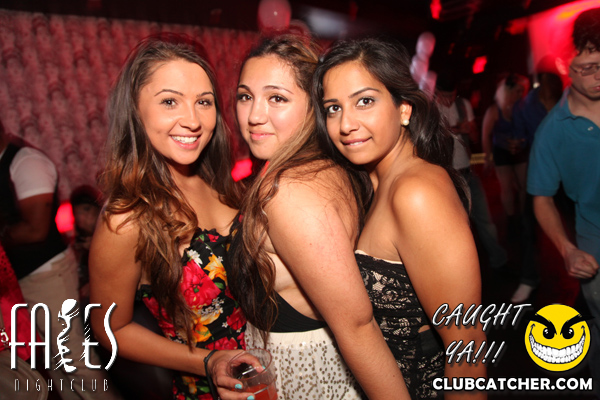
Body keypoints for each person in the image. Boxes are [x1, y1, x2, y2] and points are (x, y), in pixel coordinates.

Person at [221, 35, 410, 400]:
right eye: (245, 96)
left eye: (277, 98)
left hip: (311, 379)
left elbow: (358, 326)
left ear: (313, 107)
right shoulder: (325, 166)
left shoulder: (289, 190)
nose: (254, 115)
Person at [314, 37, 487, 399]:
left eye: (365, 101)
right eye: (333, 108)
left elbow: (466, 345)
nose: (346, 124)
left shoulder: (416, 193)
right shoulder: (375, 182)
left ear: (404, 109)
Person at [89, 34, 248, 400]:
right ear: (136, 111)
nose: (192, 120)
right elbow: (111, 330)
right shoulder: (126, 218)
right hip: (209, 389)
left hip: (272, 371)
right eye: (169, 101)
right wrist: (208, 362)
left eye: (203, 102)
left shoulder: (224, 185)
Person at [0, 121, 121, 400]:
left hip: (47, 275)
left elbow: (35, 229)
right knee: (55, 363)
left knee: (74, 358)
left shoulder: (26, 161)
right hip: (24, 279)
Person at [527, 7, 600, 397]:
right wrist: (567, 250)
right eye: (588, 67)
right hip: (596, 254)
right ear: (566, 64)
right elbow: (541, 199)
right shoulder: (552, 132)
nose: (599, 76)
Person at [436, 74, 508, 272]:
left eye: (452, 95)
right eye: (445, 96)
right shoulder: (431, 108)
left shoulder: (463, 104)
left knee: (485, 220)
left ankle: (499, 262)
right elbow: (429, 140)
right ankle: (462, 270)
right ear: (437, 93)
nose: (449, 100)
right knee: (458, 226)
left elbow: (475, 136)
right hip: (447, 176)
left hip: (468, 171)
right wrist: (455, 128)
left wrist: (469, 130)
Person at [508, 62, 563, 304]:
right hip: (540, 172)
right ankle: (529, 279)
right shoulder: (526, 104)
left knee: (582, 225)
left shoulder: (570, 100)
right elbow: (520, 136)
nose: (549, 81)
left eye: (553, 77)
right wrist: (515, 143)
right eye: (546, 76)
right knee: (529, 227)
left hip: (570, 173)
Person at [481, 73, 530, 230]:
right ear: (508, 91)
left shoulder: (523, 108)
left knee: (524, 186)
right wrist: (488, 158)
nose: (521, 94)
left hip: (520, 151)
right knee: (507, 187)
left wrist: (523, 140)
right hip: (502, 151)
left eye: (522, 91)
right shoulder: (495, 110)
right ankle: (511, 221)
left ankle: (523, 217)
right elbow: (486, 135)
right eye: (517, 91)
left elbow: (531, 129)